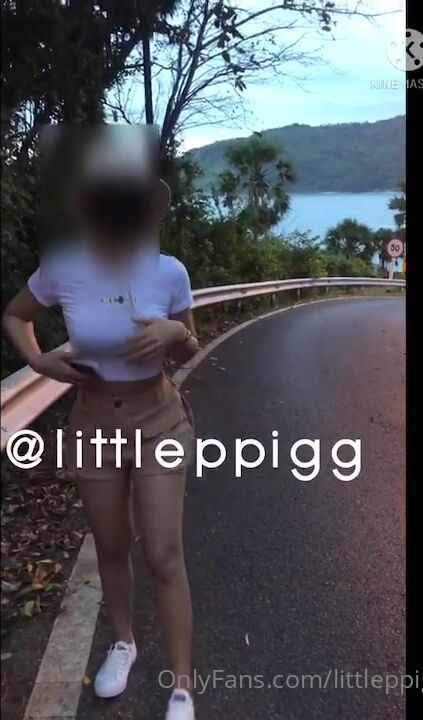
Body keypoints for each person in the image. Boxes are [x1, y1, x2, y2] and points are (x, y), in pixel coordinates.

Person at [2, 127, 198, 720]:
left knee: (163, 552)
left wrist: (176, 332)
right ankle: (123, 643)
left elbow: (190, 346)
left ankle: (182, 686)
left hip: (158, 419)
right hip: (91, 424)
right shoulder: (64, 268)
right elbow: (15, 315)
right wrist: (39, 360)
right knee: (111, 545)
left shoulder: (168, 272)